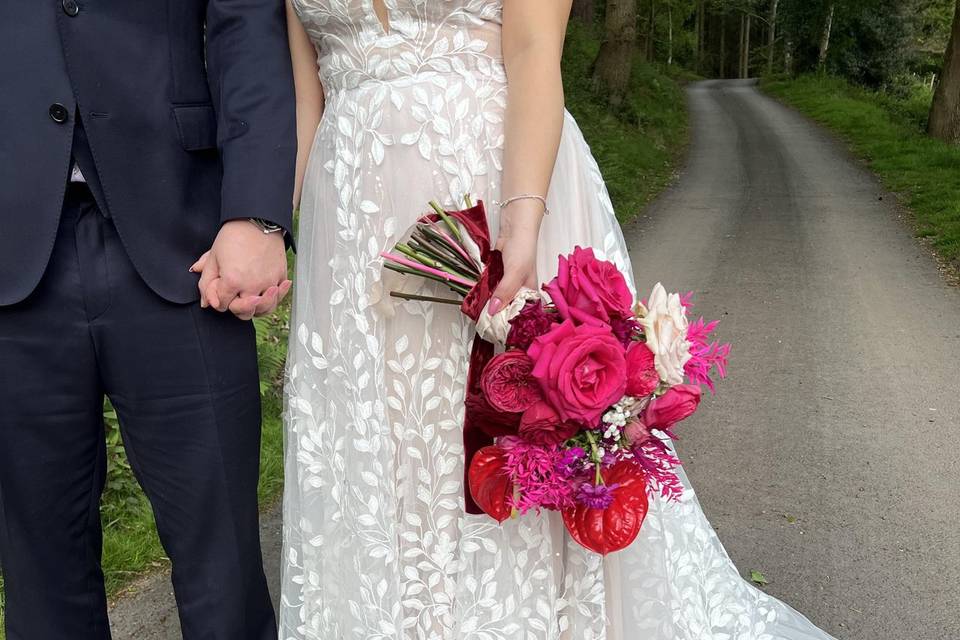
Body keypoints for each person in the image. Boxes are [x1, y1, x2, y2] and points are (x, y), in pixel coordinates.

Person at [280, 1, 837, 638]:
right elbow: (308, 98)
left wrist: (523, 219)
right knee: (379, 431)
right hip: (351, 225)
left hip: (494, 186)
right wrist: (279, 227)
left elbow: (532, 50)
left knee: (501, 422)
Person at [0, 2, 295, 638]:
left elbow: (247, 24)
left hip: (181, 236)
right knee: (37, 571)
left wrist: (257, 211)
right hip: (10, 250)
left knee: (224, 561)